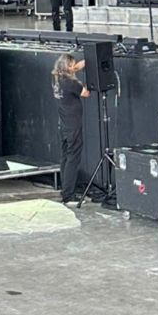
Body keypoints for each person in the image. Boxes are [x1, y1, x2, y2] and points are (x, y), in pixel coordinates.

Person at [51, 54, 89, 204]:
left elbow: (72, 70)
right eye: (72, 65)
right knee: (73, 158)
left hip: (64, 124)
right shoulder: (71, 83)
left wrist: (76, 68)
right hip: (73, 125)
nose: (75, 67)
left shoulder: (57, 79)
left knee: (65, 157)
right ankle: (69, 195)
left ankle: (65, 189)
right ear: (68, 67)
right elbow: (86, 93)